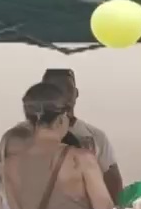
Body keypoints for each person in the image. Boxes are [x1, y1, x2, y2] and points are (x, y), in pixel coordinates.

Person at [40, 68, 123, 202]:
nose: (62, 94)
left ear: (76, 93)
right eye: (55, 88)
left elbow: (113, 182)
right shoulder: (26, 136)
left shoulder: (96, 137)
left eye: (67, 88)